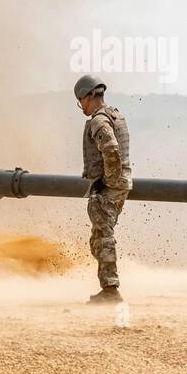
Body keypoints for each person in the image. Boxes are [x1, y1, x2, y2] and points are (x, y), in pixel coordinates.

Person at [74, 75, 132, 304]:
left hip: (110, 187)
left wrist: (107, 181)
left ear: (89, 97)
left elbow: (110, 148)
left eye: (81, 102)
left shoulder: (99, 120)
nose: (82, 108)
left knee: (103, 236)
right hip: (120, 184)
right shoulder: (116, 114)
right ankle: (108, 287)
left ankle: (110, 290)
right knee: (98, 237)